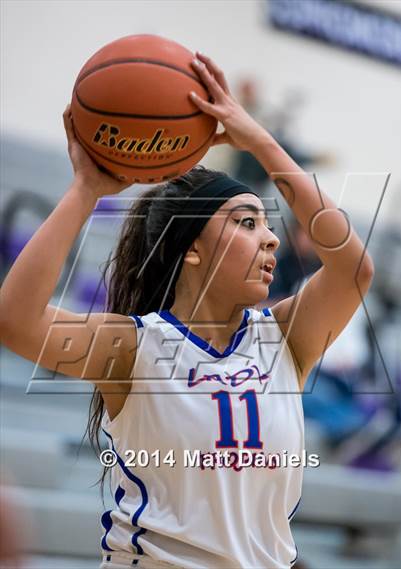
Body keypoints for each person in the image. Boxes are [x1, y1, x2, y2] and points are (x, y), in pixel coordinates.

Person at [0, 51, 374, 569]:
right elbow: (16, 320)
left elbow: (354, 267)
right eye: (246, 223)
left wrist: (259, 141)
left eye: (267, 226)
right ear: (191, 247)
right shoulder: (134, 347)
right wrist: (85, 189)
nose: (270, 240)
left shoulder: (285, 339)